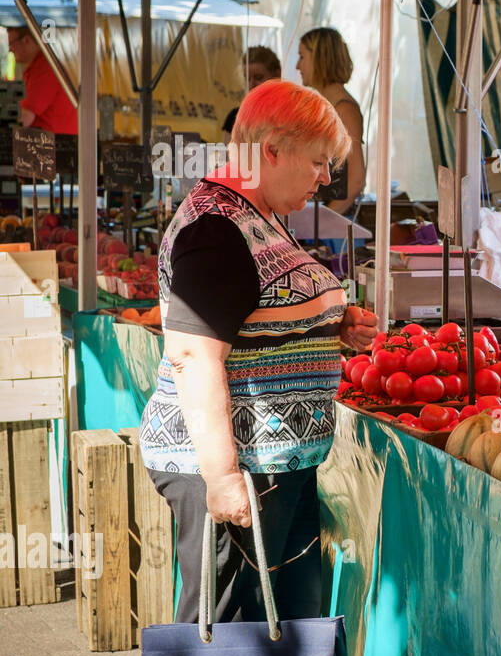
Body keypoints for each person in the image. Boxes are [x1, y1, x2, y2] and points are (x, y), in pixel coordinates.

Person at [139, 79, 378, 624]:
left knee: (282, 637)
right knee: (230, 641)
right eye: (318, 161)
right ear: (271, 149)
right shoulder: (215, 228)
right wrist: (222, 479)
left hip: (274, 465)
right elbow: (194, 356)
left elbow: (254, 313)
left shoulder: (257, 211)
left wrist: (325, 326)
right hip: (241, 470)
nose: (326, 176)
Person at [296, 27, 365, 214]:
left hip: (334, 229)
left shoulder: (344, 109)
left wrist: (324, 222)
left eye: (302, 57)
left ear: (319, 59)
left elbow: (356, 179)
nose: (297, 66)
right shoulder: (325, 105)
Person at [6, 25, 77, 134]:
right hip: (49, 143)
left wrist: (5, 133)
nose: (10, 49)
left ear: (27, 40)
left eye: (11, 44)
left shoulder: (45, 68)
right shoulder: (37, 67)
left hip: (55, 145)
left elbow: (25, 117)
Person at [220, 45, 280, 143]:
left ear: (277, 75)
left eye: (259, 77)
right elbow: (227, 155)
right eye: (247, 79)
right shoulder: (235, 116)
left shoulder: (287, 114)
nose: (252, 84)